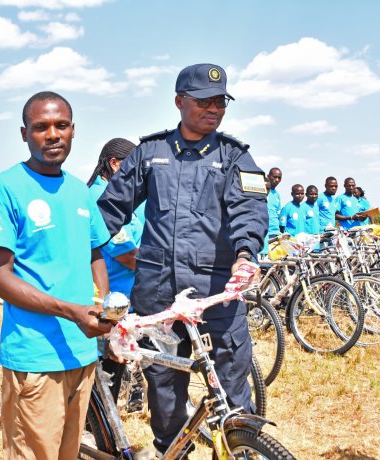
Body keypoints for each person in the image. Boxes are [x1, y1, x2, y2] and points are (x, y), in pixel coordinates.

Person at [97, 63, 267, 455]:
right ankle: (172, 450)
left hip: (216, 292)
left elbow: (250, 211)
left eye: (220, 101)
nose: (214, 108)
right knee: (164, 386)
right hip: (157, 293)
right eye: (204, 101)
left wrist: (245, 254)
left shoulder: (235, 157)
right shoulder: (150, 154)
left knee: (231, 385)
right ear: (179, 101)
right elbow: (109, 211)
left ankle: (239, 449)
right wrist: (72, 254)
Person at [0, 91, 112, 460]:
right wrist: (72, 311)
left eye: (61, 125)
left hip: (82, 354)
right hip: (35, 357)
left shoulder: (80, 192)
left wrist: (105, 306)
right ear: (25, 134)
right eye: (41, 127)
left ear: (73, 131)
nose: (53, 134)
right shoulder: (4, 188)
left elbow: (95, 254)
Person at [87, 137, 145, 412]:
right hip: (108, 299)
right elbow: (125, 255)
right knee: (105, 375)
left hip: (124, 296)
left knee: (116, 366)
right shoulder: (101, 198)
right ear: (114, 164)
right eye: (132, 167)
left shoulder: (120, 194)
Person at [267, 167, 282, 238]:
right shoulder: (262, 191)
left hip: (276, 231)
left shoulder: (277, 195)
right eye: (275, 177)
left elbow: (278, 213)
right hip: (265, 231)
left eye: (279, 178)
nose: (277, 180)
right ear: (268, 176)